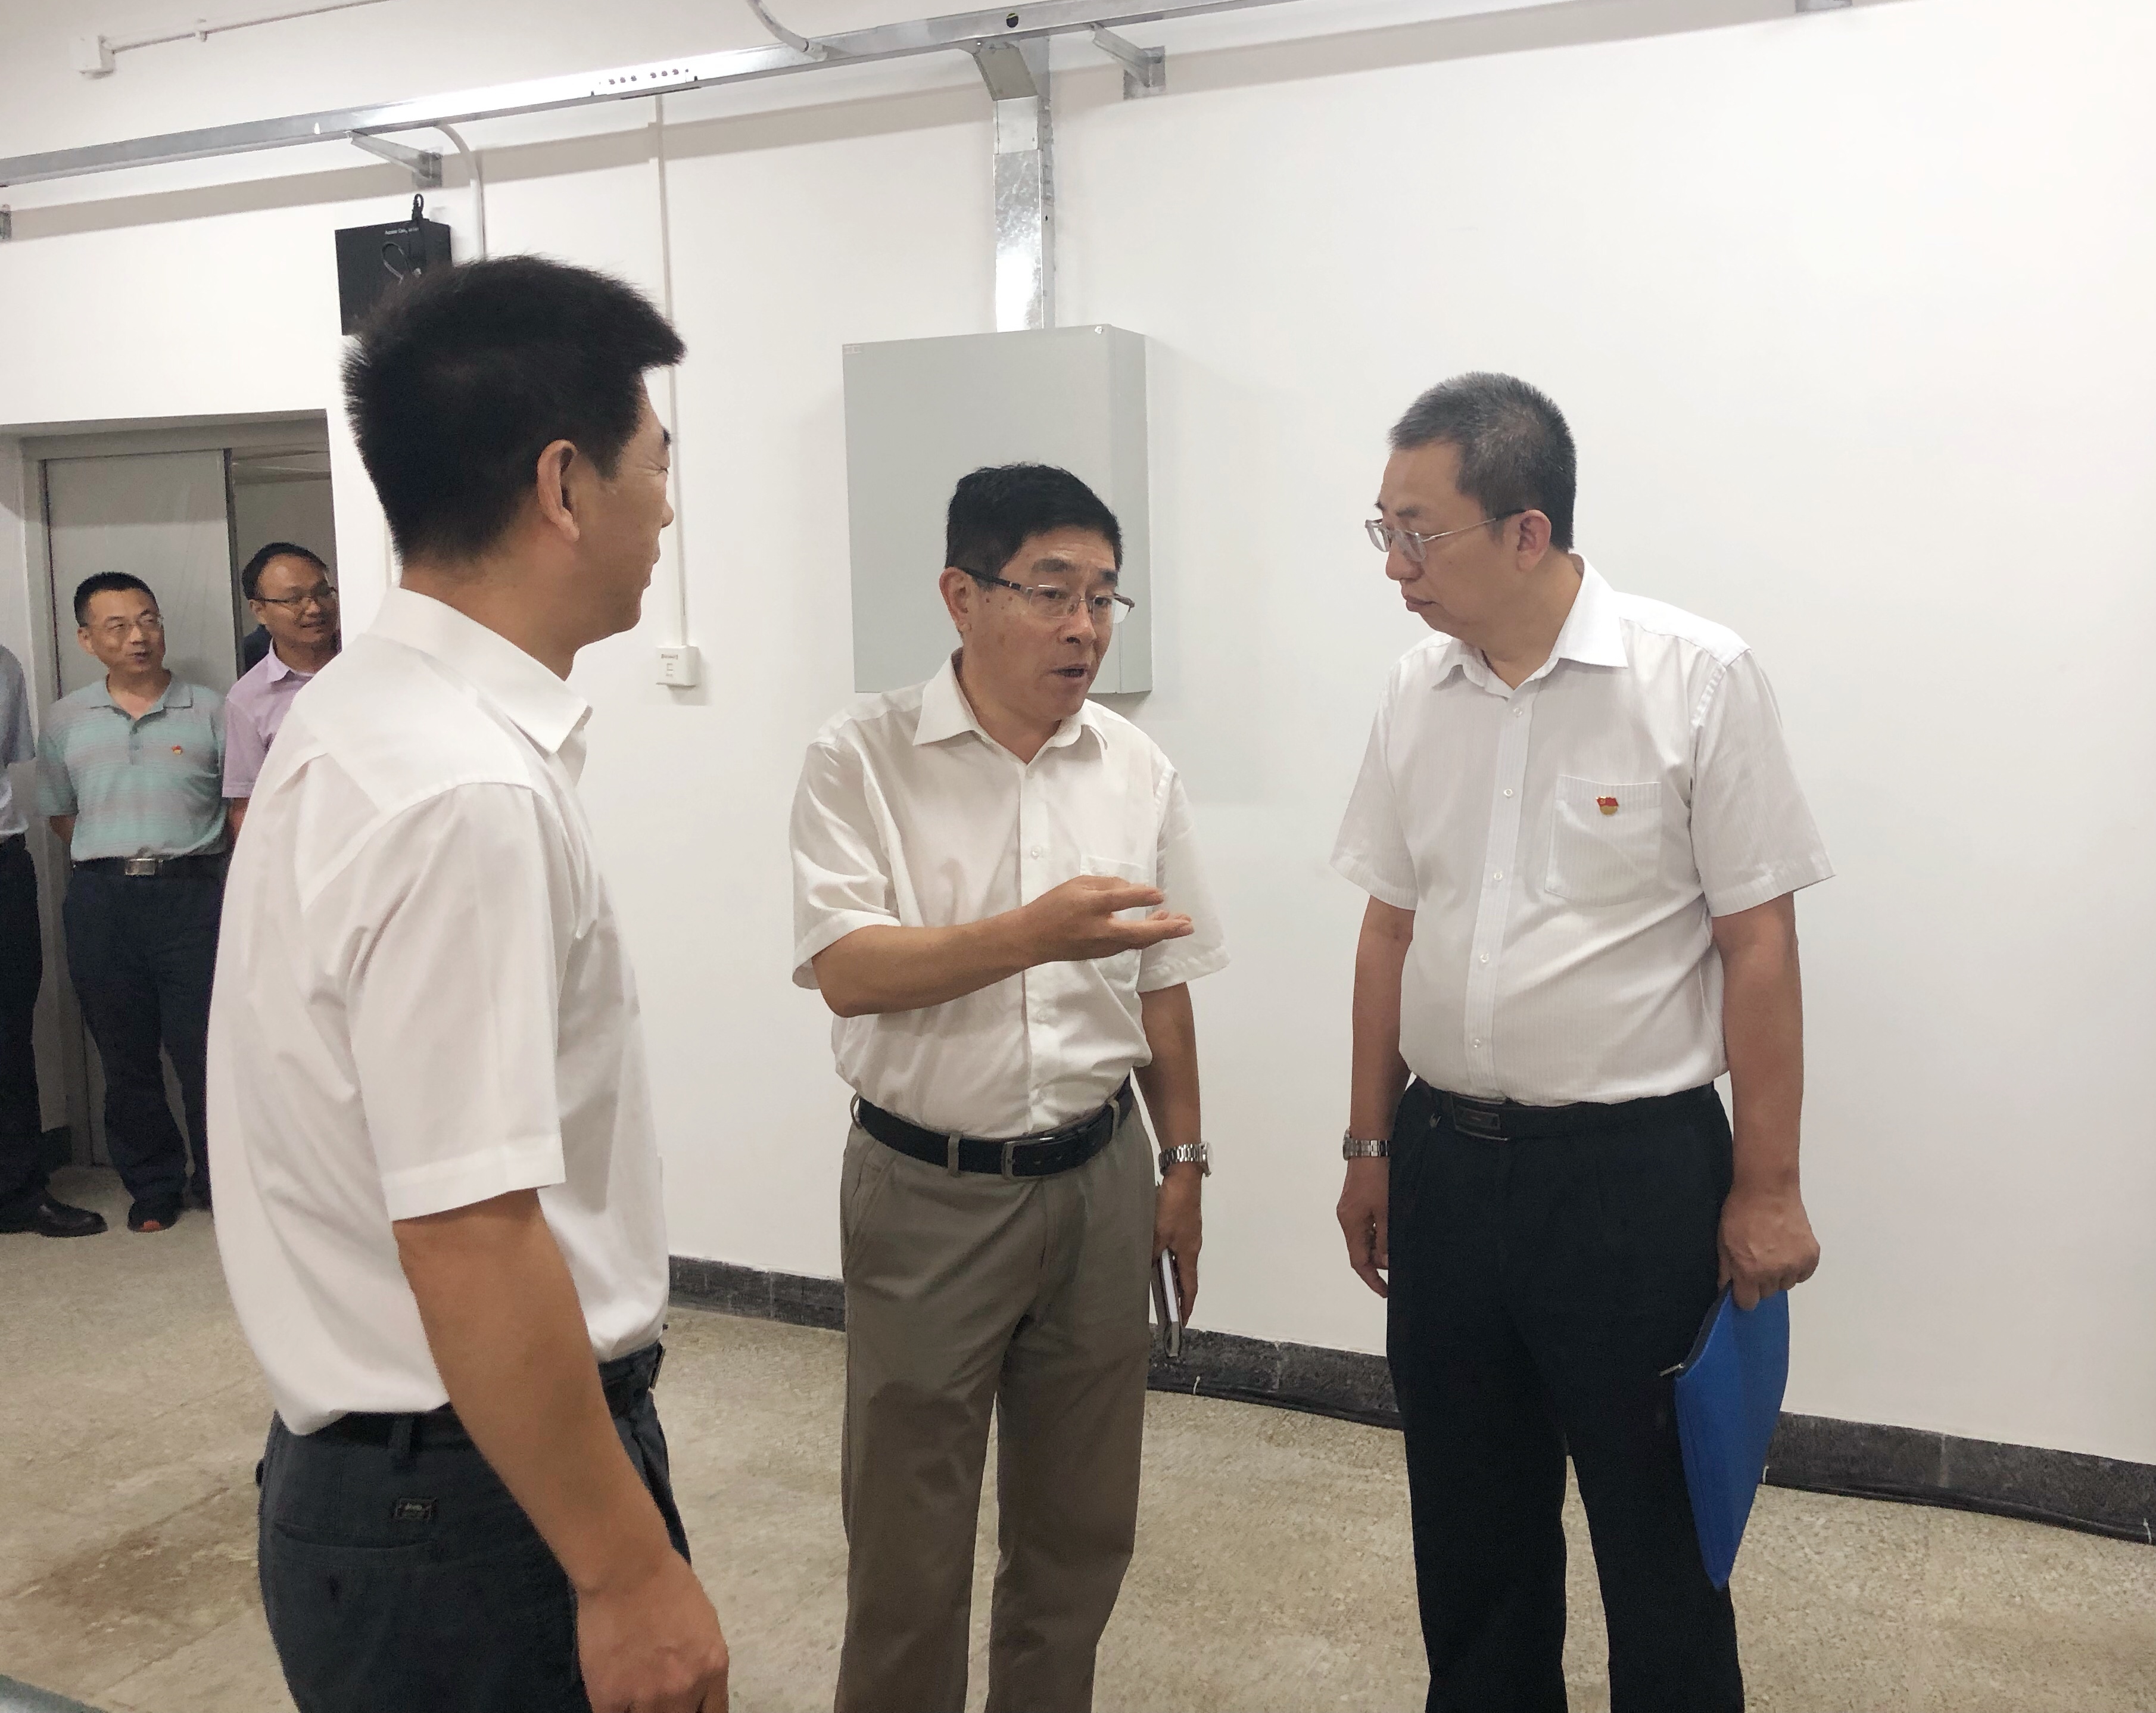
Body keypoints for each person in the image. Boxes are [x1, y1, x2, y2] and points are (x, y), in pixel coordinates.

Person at [210, 256, 728, 1713]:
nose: (667, 510)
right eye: (657, 464)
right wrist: (625, 1574)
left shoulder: (362, 717)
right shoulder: (460, 793)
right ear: (564, 485)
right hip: (472, 1508)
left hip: (410, 1483)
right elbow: (470, 1234)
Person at [1331, 374, 1831, 1713]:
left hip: (1632, 1179)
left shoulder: (1694, 678)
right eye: (1382, 529)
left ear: (1528, 532)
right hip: (1447, 1162)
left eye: (1418, 533)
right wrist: (1371, 1143)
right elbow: (1389, 927)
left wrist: (1768, 1187)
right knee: (1471, 1535)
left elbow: (1759, 945)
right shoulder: (1414, 692)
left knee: (1660, 1543)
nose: (1395, 565)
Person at [790, 462, 1226, 1713]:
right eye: (1051, 591)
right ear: (962, 596)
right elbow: (848, 969)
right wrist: (1031, 934)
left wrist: (1184, 1163)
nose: (1083, 626)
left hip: (1101, 1179)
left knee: (1080, 1533)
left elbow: (1163, 985)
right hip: (927, 1187)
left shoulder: (1134, 766)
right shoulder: (861, 756)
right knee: (908, 1542)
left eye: (1104, 597)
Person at [36, 574, 228, 1232]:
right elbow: (62, 816)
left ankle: (222, 1180)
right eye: (117, 626)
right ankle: (153, 1183)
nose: (138, 636)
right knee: (124, 1055)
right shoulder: (66, 719)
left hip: (193, 894)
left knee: (206, 1050)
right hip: (102, 899)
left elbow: (238, 807)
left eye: (148, 619)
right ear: (87, 640)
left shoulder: (212, 709)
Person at [0, 641, 105, 1238]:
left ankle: (17, 1192)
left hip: (3, 863)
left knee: (12, 1033)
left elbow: (11, 758)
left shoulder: (5, 665)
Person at [223, 542, 340, 836]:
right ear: (259, 611)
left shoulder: (369, 664)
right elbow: (247, 805)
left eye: (323, 593)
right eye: (294, 599)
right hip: (302, 845)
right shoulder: (247, 699)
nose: (314, 608)